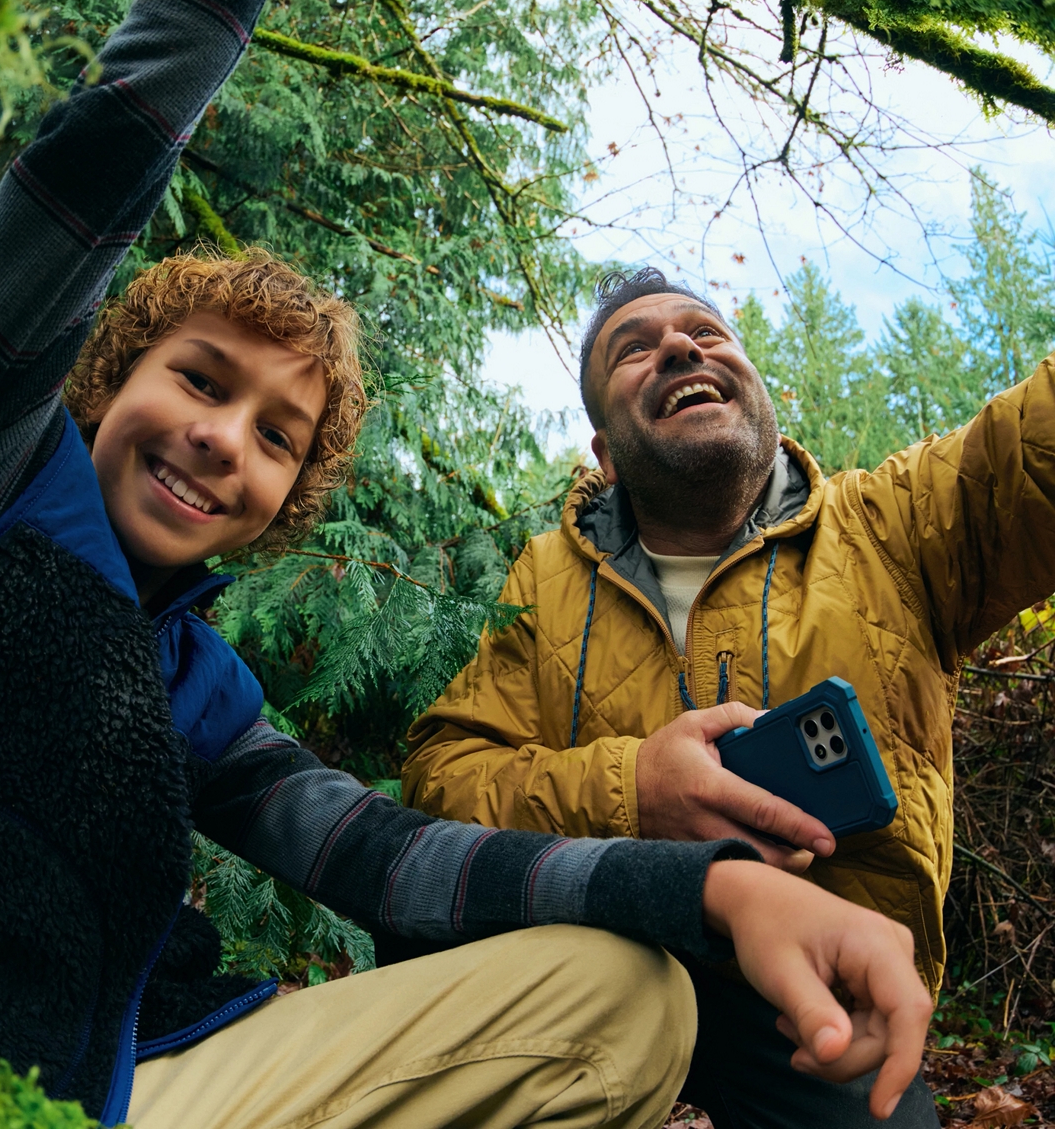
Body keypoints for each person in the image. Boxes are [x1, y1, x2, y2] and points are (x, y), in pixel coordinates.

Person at [0, 0, 933, 1129]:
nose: (221, 438)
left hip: (136, 1088)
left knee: (624, 994)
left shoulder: (197, 689)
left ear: (282, 502)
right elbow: (102, 158)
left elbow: (390, 860)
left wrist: (716, 890)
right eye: (199, 380)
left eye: (275, 435)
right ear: (102, 381)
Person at [402, 263, 1055, 1127]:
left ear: (758, 392)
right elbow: (442, 778)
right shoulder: (543, 578)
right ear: (604, 451)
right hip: (593, 959)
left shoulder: (893, 524)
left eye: (707, 334)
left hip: (821, 989)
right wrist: (633, 791)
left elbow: (1030, 455)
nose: (678, 344)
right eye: (633, 350)